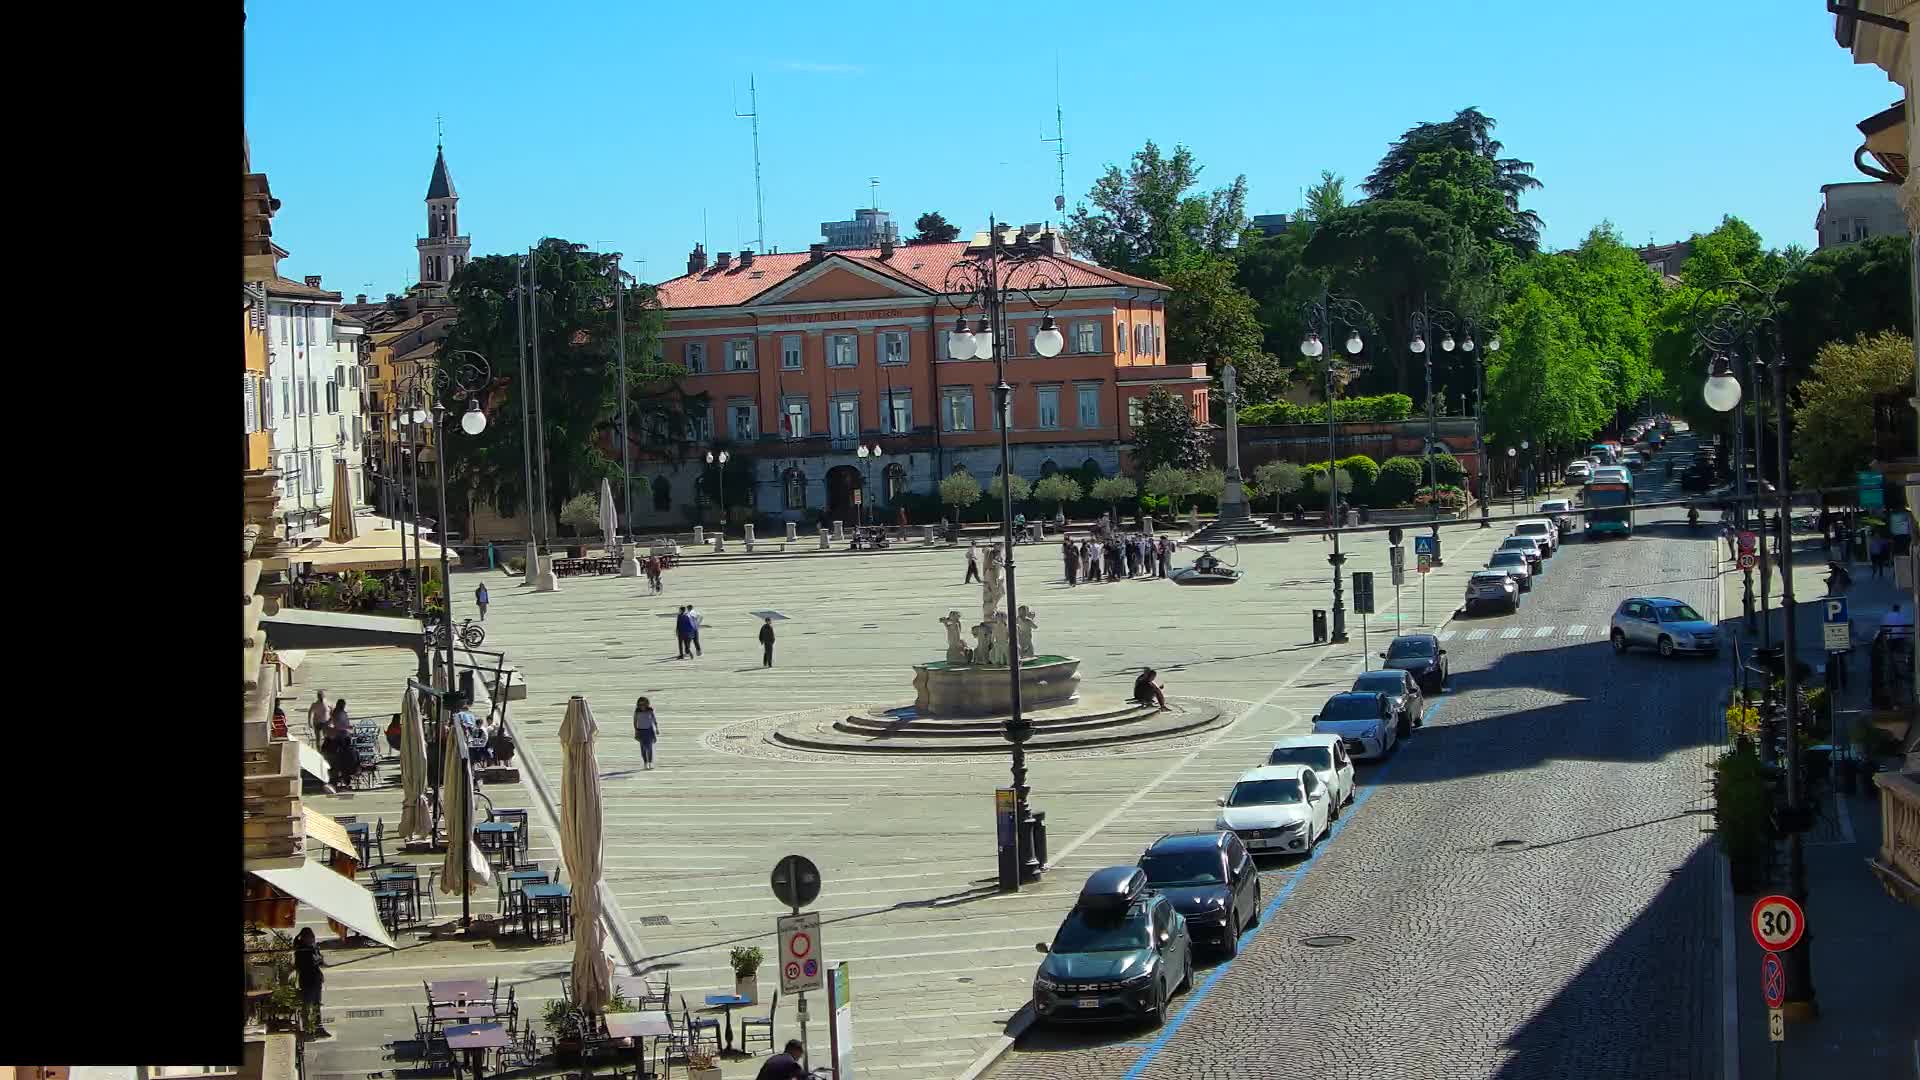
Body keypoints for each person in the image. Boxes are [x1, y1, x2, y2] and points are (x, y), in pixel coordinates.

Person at [293, 926, 328, 1039]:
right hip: (307, 980)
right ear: (304, 938)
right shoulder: (301, 950)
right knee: (307, 1005)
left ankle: (318, 1028)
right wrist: (315, 960)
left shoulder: (313, 947)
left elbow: (319, 961)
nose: (312, 939)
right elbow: (301, 966)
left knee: (317, 1004)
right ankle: (307, 1030)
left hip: (316, 978)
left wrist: (320, 961)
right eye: (310, 937)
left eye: (313, 937)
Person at [633, 696, 659, 769]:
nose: (642, 706)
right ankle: (645, 762)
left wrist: (656, 728)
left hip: (649, 730)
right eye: (640, 705)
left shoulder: (650, 710)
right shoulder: (637, 711)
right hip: (641, 731)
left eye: (644, 704)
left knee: (649, 747)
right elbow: (635, 721)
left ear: (647, 704)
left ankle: (650, 762)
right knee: (643, 748)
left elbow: (654, 719)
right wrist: (636, 730)